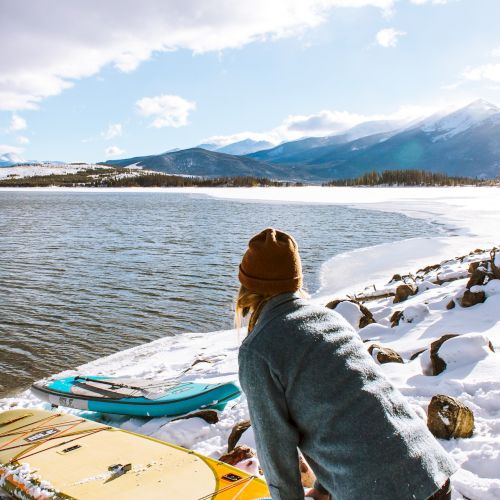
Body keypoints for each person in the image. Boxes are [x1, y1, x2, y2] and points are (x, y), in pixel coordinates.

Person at [236, 228, 457, 500]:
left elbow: (274, 447)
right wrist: (323, 489)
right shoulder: (330, 320)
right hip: (430, 472)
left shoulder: (259, 349)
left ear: (248, 289)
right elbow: (355, 407)